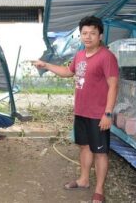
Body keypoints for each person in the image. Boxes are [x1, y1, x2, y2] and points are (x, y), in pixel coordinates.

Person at [33, 16, 119, 203]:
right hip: (81, 112)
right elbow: (68, 72)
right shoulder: (80, 55)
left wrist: (108, 113)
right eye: (84, 33)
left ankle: (99, 191)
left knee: (100, 152)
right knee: (84, 147)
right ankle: (84, 180)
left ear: (100, 35)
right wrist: (46, 65)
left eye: (92, 33)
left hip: (98, 115)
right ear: (80, 35)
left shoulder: (107, 57)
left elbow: (113, 85)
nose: (88, 37)